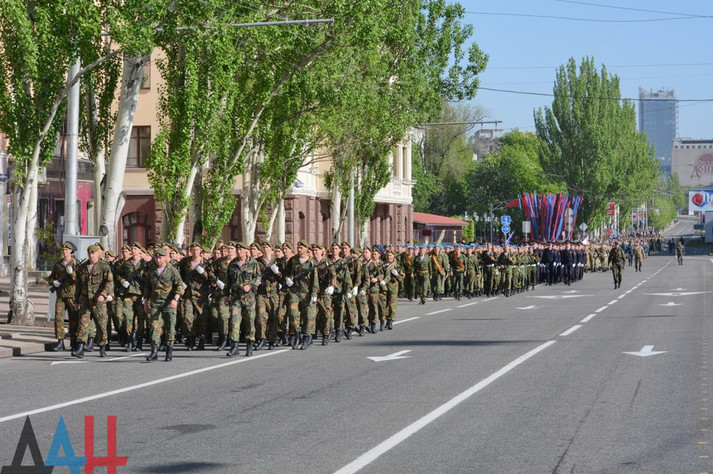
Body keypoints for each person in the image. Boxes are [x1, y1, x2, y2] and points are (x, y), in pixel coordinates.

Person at [73, 244, 114, 358]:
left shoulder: (104, 266)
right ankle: (80, 348)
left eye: (93, 253)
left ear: (98, 253)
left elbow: (109, 282)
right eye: (89, 253)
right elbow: (78, 285)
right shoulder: (82, 267)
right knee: (83, 323)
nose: (91, 255)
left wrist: (103, 295)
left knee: (101, 325)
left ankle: (102, 347)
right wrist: (76, 300)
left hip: (98, 301)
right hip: (85, 300)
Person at [143, 247, 184, 361]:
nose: (158, 260)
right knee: (154, 326)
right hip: (155, 303)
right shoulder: (152, 271)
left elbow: (180, 285)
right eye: (156, 257)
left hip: (168, 303)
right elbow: (147, 287)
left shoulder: (172, 270)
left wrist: (175, 299)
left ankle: (169, 351)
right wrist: (145, 301)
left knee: (170, 327)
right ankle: (154, 351)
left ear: (165, 258)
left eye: (160, 257)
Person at [226, 242, 261, 356]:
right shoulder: (232, 264)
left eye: (241, 249)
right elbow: (228, 281)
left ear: (246, 251)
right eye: (237, 249)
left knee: (250, 321)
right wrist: (227, 296)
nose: (238, 251)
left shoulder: (253, 263)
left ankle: (249, 345)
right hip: (236, 298)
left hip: (249, 298)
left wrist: (250, 285)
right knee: (234, 321)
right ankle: (234, 347)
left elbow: (258, 277)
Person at [46, 242, 80, 351]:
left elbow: (80, 280)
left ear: (71, 251)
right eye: (63, 250)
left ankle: (74, 342)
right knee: (58, 319)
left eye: (67, 250)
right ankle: (60, 342)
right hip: (60, 295)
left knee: (73, 319)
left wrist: (72, 273)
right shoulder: (58, 264)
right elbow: (50, 278)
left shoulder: (76, 264)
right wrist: (53, 282)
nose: (64, 252)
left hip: (72, 296)